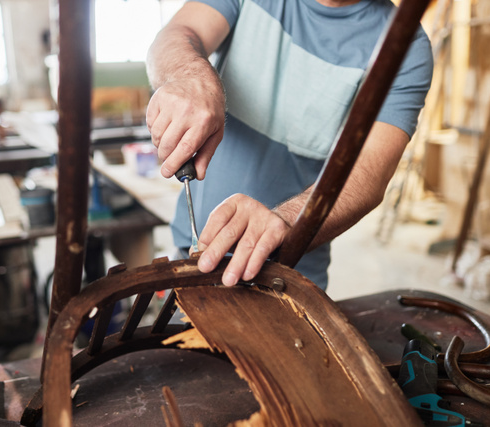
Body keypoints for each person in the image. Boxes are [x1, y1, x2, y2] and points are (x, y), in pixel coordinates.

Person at [145, 0, 433, 290]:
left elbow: (370, 173)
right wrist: (189, 76)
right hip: (192, 256)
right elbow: (178, 33)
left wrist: (283, 221)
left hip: (287, 277)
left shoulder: (406, 48)